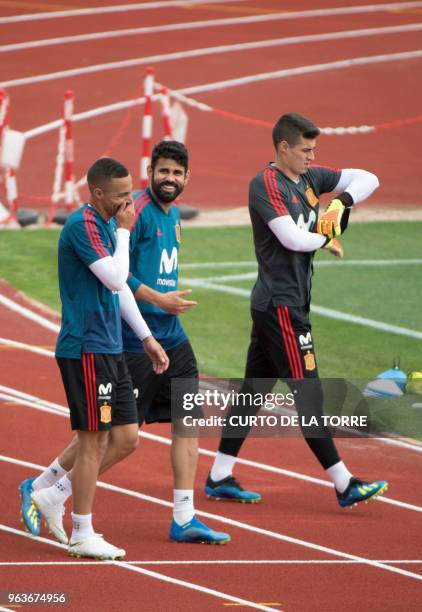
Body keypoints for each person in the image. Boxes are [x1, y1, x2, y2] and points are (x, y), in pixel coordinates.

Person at [20, 143, 229, 546]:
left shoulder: (167, 219)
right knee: (102, 436)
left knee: (167, 427)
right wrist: (156, 305)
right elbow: (120, 279)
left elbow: (120, 282)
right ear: (150, 171)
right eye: (163, 171)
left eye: (178, 172)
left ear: (187, 177)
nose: (170, 178)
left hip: (159, 339)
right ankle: (52, 492)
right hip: (111, 342)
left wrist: (154, 335)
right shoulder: (125, 217)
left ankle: (183, 517)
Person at [205, 112, 388, 508]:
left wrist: (341, 201)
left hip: (282, 303)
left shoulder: (310, 179)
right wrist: (325, 238)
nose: (311, 157)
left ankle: (219, 475)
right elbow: (290, 237)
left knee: (252, 392)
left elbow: (369, 178)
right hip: (281, 308)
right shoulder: (265, 184)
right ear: (283, 148)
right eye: (305, 150)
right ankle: (344, 483)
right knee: (310, 395)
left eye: (314, 150)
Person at [19, 157, 169, 559]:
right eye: (121, 196)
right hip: (85, 347)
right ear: (98, 193)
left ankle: (51, 494)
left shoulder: (105, 223)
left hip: (111, 346)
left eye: (130, 194)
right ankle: (81, 531)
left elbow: (118, 292)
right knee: (94, 441)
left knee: (127, 438)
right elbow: (118, 278)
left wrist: (147, 337)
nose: (129, 203)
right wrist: (124, 232)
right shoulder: (85, 225)